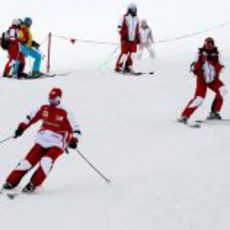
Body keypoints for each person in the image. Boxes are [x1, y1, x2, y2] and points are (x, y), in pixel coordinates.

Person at [2, 88, 82, 193]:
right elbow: (29, 118)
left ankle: (34, 184)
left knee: (46, 161)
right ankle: (11, 181)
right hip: (42, 140)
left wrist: (74, 140)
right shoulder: (44, 108)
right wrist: (21, 128)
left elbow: (77, 130)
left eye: (54, 100)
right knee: (27, 162)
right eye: (50, 100)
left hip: (57, 143)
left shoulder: (65, 112)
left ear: (59, 99)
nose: (51, 102)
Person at [178, 37, 227, 124]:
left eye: (211, 43)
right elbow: (193, 64)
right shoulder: (200, 54)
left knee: (222, 90)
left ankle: (214, 112)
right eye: (208, 43)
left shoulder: (217, 54)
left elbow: (222, 65)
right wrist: (197, 70)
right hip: (202, 79)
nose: (209, 45)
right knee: (199, 98)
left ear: (214, 44)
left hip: (213, 79)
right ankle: (184, 115)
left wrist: (216, 69)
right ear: (204, 44)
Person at [115, 3, 140, 73]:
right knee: (124, 54)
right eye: (133, 10)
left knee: (133, 54)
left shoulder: (137, 19)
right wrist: (123, 36)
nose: (134, 11)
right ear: (129, 10)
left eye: (135, 10)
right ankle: (118, 67)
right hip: (125, 40)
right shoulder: (124, 17)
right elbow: (118, 28)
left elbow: (137, 29)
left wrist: (138, 38)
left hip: (133, 40)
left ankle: (128, 67)